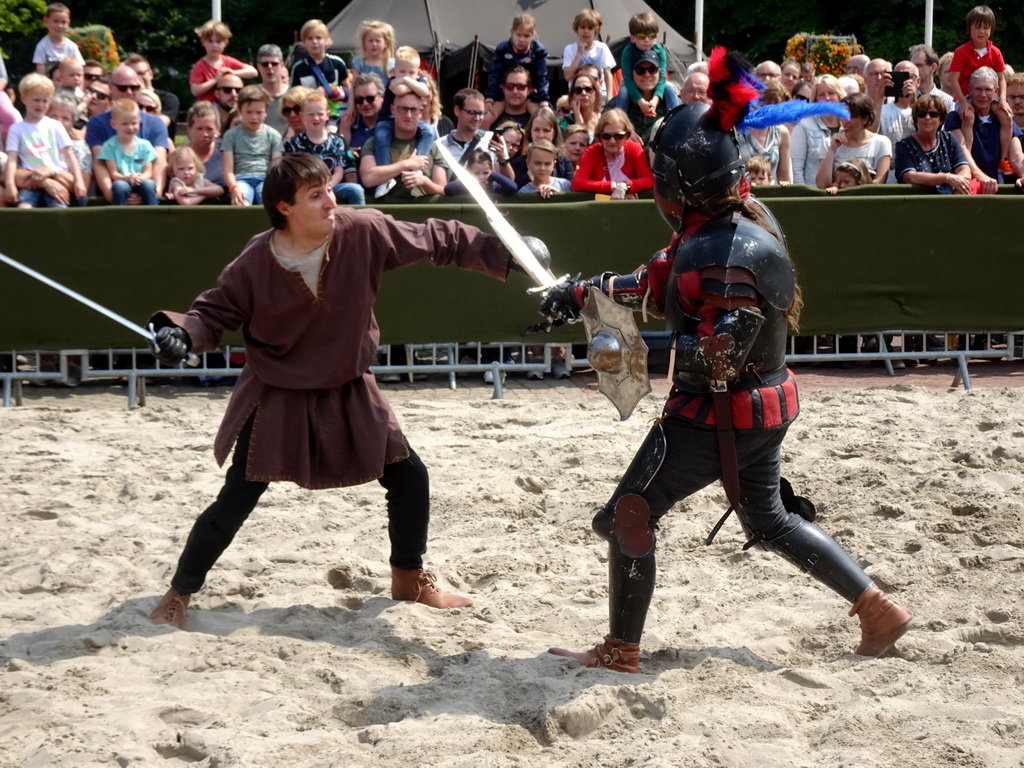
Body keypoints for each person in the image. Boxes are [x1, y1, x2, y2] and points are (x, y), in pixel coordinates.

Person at [537, 50, 912, 673]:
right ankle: (877, 608)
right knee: (769, 518)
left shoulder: (727, 248)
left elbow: (721, 348)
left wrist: (628, 345)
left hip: (717, 415)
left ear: (680, 185)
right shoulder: (733, 223)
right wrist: (583, 292)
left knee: (626, 517)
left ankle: (621, 650)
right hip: (760, 407)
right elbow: (661, 280)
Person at [147, 152, 526, 628]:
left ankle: (408, 577)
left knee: (409, 477)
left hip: (349, 385)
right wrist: (182, 334)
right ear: (284, 207)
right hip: (279, 392)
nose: (331, 201)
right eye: (315, 195)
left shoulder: (361, 230)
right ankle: (179, 593)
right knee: (236, 498)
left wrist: (501, 251)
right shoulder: (255, 262)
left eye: (328, 189)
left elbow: (435, 238)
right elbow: (213, 313)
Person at [4, 73, 84, 208]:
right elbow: (11, 159)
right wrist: (10, 184)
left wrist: (79, 180)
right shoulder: (16, 129)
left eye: (45, 101)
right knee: (24, 208)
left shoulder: (55, 125)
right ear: (23, 98)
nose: (40, 105)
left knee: (59, 208)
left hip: (55, 177)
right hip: (30, 181)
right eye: (36, 100)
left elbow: (69, 155)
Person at [948, 5, 1012, 170]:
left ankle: (1004, 159)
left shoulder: (995, 52)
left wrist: (1003, 100)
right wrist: (962, 102)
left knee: (1006, 116)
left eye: (986, 27)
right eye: (977, 27)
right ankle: (966, 162)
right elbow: (953, 79)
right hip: (966, 96)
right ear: (969, 29)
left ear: (991, 29)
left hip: (989, 97)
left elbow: (1002, 78)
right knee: (968, 117)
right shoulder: (961, 52)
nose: (981, 31)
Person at [359, 92, 446, 199]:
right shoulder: (374, 142)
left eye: (413, 109)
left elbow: (443, 190)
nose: (408, 115)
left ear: (420, 112)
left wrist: (425, 182)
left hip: (423, 212)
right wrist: (407, 164)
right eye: (403, 109)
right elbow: (368, 178)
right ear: (392, 109)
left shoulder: (433, 146)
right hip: (385, 211)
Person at [944, 67, 1023, 184]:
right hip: (969, 186)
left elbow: (1017, 155)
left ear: (996, 91)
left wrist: (1023, 174)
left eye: (988, 90)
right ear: (969, 90)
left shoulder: (1003, 119)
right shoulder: (956, 118)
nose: (983, 94)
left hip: (998, 185)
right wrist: (981, 177)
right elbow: (960, 151)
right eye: (978, 89)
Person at [285, 91, 364, 205]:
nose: (316, 118)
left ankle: (359, 219)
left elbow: (338, 172)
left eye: (320, 114)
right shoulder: (294, 144)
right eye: (311, 114)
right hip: (306, 189)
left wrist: (327, 187)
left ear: (327, 114)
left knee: (355, 189)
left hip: (332, 185)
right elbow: (295, 175)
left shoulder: (337, 141)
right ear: (302, 116)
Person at [893, 95, 976, 193]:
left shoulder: (949, 139)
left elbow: (965, 169)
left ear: (941, 119)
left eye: (933, 114)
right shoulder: (904, 145)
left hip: (950, 201)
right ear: (916, 119)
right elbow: (909, 176)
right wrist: (947, 178)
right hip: (918, 203)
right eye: (922, 114)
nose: (927, 118)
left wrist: (958, 183)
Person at [372, 47, 436, 173]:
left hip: (413, 120)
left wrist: (404, 80)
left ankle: (418, 163)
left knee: (429, 131)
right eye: (402, 72)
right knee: (381, 136)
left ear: (418, 73)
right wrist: (414, 85)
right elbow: (400, 91)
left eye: (411, 72)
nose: (407, 75)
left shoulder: (413, 80)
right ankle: (385, 172)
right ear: (394, 72)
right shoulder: (392, 82)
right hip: (388, 119)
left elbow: (425, 92)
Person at [222, 85, 284, 206]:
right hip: (241, 179)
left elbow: (276, 167)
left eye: (259, 112)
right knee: (240, 201)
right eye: (249, 112)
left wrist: (272, 186)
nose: (254, 117)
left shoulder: (273, 135)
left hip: (265, 179)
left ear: (266, 112)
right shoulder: (231, 135)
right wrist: (234, 187)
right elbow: (227, 170)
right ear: (240, 111)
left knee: (269, 201)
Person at [571, 109, 653, 199]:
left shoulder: (634, 149)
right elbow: (577, 183)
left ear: (627, 135)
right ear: (599, 136)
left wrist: (626, 186)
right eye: (606, 136)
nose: (612, 141)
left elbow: (649, 180)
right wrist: (612, 186)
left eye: (619, 136)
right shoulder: (592, 152)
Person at [484, 13, 550, 126]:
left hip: (530, 94)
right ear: (511, 32)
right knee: (485, 119)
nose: (522, 40)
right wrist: (490, 97)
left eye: (526, 36)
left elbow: (541, 76)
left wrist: (543, 101)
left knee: (546, 121)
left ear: (533, 35)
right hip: (504, 94)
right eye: (518, 35)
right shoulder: (503, 49)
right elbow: (495, 74)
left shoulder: (539, 51)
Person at [815, 92, 892, 188]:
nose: (845, 121)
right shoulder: (829, 143)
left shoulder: (881, 143)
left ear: (865, 119)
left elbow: (879, 183)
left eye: (851, 116)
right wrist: (832, 150)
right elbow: (822, 185)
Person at [614, 13, 680, 116]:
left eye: (651, 36)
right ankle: (618, 120)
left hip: (655, 83)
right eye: (641, 36)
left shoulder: (660, 51)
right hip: (631, 82)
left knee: (670, 87)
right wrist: (640, 102)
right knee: (623, 91)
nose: (646, 40)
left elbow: (662, 78)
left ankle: (675, 118)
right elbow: (627, 78)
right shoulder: (628, 51)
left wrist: (655, 100)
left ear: (656, 37)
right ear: (632, 38)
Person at [98, 98, 159, 206]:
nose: (130, 127)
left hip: (140, 180)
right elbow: (113, 173)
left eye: (134, 123)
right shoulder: (109, 146)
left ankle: (151, 214)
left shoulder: (145, 145)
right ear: (113, 124)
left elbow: (148, 172)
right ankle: (120, 216)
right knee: (120, 186)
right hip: (122, 179)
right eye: (125, 124)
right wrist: (127, 178)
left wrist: (139, 178)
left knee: (149, 184)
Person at [790, 75, 846, 185]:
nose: (827, 98)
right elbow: (796, 169)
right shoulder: (804, 125)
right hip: (813, 194)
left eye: (831, 93)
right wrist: (803, 195)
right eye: (821, 95)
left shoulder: (849, 124)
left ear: (840, 95)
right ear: (815, 100)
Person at [290, 19, 349, 121]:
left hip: (334, 115)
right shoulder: (298, 68)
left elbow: (348, 90)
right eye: (310, 38)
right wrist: (314, 94)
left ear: (326, 40)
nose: (314, 42)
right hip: (309, 117)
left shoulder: (337, 63)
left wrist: (331, 91)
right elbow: (293, 96)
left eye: (319, 38)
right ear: (304, 42)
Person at [189, 19, 257, 103]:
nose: (214, 45)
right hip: (209, 107)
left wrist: (233, 72)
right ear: (203, 42)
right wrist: (215, 80)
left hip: (229, 106)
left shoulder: (228, 61)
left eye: (218, 41)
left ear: (225, 42)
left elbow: (253, 72)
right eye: (210, 41)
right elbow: (195, 91)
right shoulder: (199, 66)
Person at [739, 81, 792, 185]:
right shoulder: (737, 130)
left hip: (771, 196)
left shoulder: (782, 132)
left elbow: (784, 179)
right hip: (742, 195)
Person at [612, 50, 670, 145]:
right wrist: (621, 134)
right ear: (631, 73)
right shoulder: (614, 105)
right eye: (640, 71)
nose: (647, 74)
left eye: (652, 69)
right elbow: (601, 138)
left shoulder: (671, 102)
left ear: (659, 72)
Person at [509, 107, 573, 187]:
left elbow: (569, 192)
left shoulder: (564, 163)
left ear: (554, 133)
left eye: (546, 130)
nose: (541, 135)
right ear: (530, 132)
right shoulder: (518, 164)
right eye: (536, 130)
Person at [562, 9, 616, 102]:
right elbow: (567, 76)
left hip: (599, 92)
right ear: (577, 29)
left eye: (590, 28)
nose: (586, 31)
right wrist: (579, 54)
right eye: (582, 27)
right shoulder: (569, 49)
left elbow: (608, 74)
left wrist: (609, 97)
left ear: (596, 31)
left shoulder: (602, 48)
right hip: (577, 92)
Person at [125, 53, 180, 141]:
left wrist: (143, 93)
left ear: (150, 74)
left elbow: (158, 126)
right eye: (133, 75)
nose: (137, 78)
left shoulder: (168, 99)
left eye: (140, 73)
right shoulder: (126, 101)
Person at [182, 101, 225, 192]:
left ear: (218, 129)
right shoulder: (179, 155)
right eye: (199, 129)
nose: (205, 134)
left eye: (209, 129)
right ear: (189, 129)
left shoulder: (226, 150)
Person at [339, 74, 383, 158]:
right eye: (359, 100)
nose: (365, 104)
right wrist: (347, 153)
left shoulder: (393, 124)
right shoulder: (346, 122)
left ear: (382, 97)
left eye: (370, 98)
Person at [442, 148, 516, 197]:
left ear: (491, 170)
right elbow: (448, 190)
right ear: (469, 172)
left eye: (486, 173)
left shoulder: (494, 187)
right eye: (476, 173)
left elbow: (512, 187)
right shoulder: (465, 187)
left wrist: (493, 175)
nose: (481, 177)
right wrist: (468, 180)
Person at [33, 3, 82, 75]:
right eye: (55, 21)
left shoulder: (72, 47)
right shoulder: (42, 46)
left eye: (63, 22)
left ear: (68, 24)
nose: (59, 26)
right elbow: (41, 74)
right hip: (49, 85)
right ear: (46, 21)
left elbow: (79, 69)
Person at [482, 65, 533, 131]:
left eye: (521, 87)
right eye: (510, 86)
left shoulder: (536, 120)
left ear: (529, 90)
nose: (515, 91)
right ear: (503, 88)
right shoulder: (490, 117)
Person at [909, 45, 956, 113]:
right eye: (912, 65)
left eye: (919, 65)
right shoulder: (904, 99)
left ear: (933, 67)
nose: (914, 69)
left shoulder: (947, 101)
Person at [254, 44, 289, 134]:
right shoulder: (252, 95)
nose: (270, 67)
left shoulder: (292, 94)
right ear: (258, 67)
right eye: (265, 64)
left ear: (282, 65)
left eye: (274, 64)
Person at [559, 72, 602, 139]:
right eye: (578, 90)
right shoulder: (561, 122)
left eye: (588, 89)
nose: (583, 93)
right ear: (572, 96)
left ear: (595, 94)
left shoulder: (603, 120)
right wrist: (578, 125)